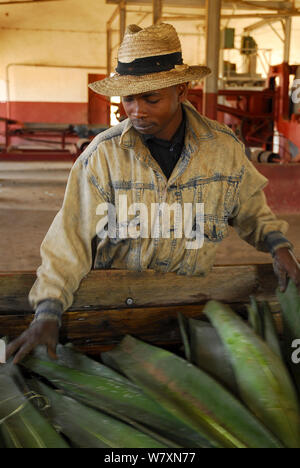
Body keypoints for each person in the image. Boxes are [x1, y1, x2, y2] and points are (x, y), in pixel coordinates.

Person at [7, 23, 300, 364]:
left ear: (182, 89)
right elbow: (69, 239)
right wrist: (48, 311)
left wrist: (278, 244)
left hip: (191, 306)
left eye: (151, 98)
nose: (137, 111)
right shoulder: (104, 156)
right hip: (113, 305)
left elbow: (251, 209)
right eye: (128, 99)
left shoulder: (223, 149)